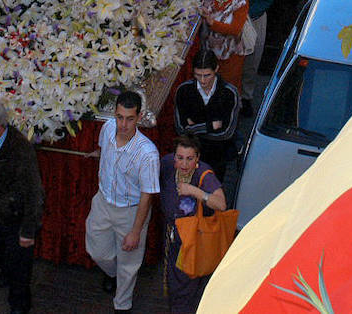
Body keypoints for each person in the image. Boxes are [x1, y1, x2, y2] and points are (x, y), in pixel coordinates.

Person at [86, 90, 159, 314]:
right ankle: (111, 273)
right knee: (97, 251)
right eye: (119, 117)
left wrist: (136, 231)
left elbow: (147, 195)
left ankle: (122, 305)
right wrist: (97, 155)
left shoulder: (148, 154)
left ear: (139, 117)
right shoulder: (107, 128)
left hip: (131, 210)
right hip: (103, 201)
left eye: (129, 118)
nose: (123, 124)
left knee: (129, 264)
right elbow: (104, 149)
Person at [0, 101, 44, 314]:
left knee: (20, 267)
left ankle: (20, 304)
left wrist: (28, 231)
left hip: (17, 218)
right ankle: (8, 271)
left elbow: (34, 193)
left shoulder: (20, 151)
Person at [158, 135, 228, 314]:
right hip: (172, 240)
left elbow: (221, 204)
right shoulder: (166, 165)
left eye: (189, 159)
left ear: (197, 158)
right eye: (180, 158)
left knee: (184, 291)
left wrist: (196, 192)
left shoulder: (204, 174)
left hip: (192, 243)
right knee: (175, 287)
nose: (184, 164)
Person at [222, 0, 277, 105]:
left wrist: (248, 12)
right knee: (226, 56)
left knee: (252, 59)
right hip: (229, 15)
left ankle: (246, 96)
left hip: (255, 17)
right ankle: (225, 95)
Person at [173, 51, 240, 179]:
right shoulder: (183, 91)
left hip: (217, 157)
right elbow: (181, 129)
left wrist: (193, 127)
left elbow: (227, 133)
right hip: (189, 158)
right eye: (198, 75)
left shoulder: (229, 93)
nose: (203, 80)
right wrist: (210, 126)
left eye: (207, 75)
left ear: (216, 69)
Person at [200, 0, 249, 91]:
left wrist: (212, 23)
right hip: (208, 52)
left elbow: (235, 29)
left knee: (228, 89)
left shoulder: (240, 0)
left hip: (231, 55)